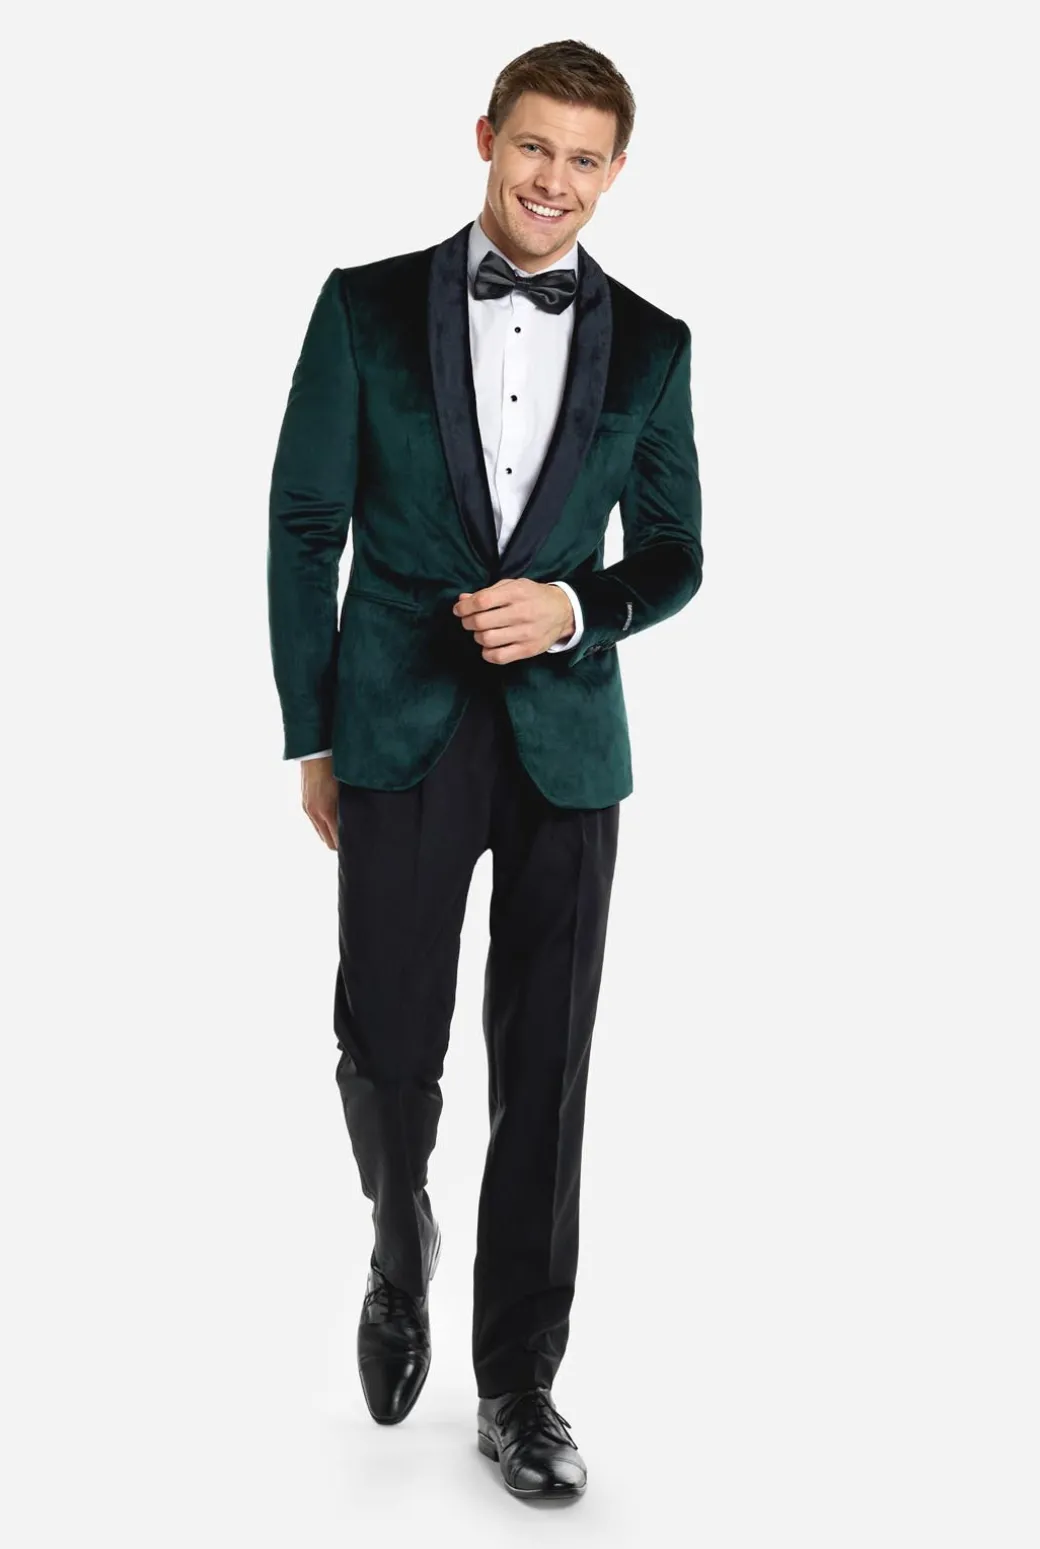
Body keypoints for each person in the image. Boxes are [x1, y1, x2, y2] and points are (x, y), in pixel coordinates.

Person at [267, 37, 703, 1501]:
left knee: (547, 1071)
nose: (553, 181)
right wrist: (314, 731)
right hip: (396, 719)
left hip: (569, 744)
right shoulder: (366, 306)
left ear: (615, 173)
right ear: (485, 139)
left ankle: (519, 1383)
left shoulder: (656, 343)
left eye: (584, 159)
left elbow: (678, 551)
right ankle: (400, 1245)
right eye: (534, 147)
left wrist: (577, 606)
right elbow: (304, 523)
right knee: (391, 1043)